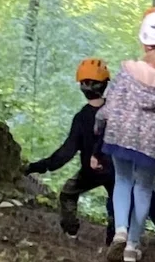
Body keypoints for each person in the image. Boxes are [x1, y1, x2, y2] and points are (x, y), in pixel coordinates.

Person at [96, 10, 155, 262]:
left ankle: (120, 231)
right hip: (152, 146)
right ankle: (132, 245)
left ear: (145, 41)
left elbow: (110, 104)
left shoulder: (127, 72)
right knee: (143, 188)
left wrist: (100, 122)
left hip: (120, 135)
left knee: (122, 182)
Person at [30, 58, 116, 236]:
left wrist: (41, 166)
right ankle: (117, 234)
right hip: (117, 167)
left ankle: (71, 231)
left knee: (68, 194)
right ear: (105, 84)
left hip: (90, 172)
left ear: (82, 87)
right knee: (118, 200)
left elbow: (66, 152)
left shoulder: (82, 118)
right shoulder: (117, 111)